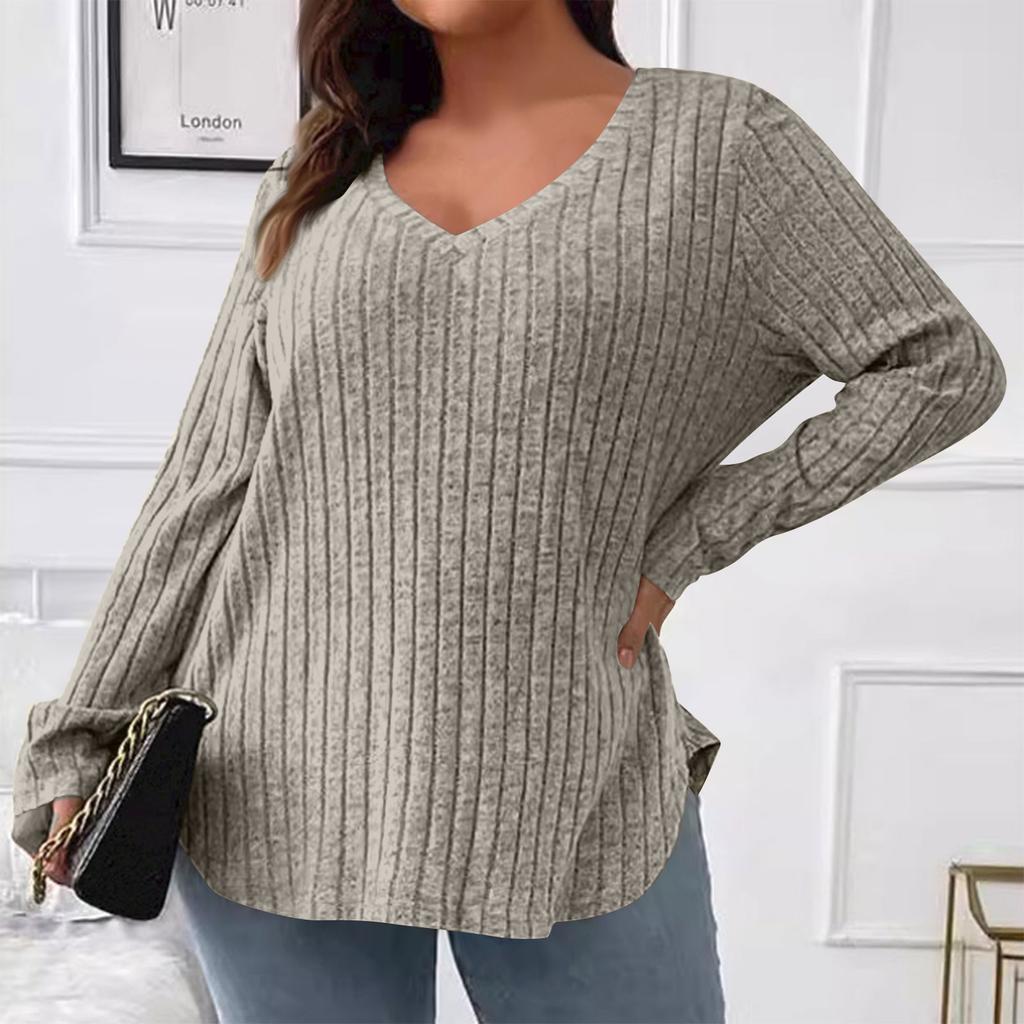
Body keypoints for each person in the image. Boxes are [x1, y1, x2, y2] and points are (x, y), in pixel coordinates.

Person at [10, 0, 1006, 1021]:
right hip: (271, 779)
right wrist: (79, 732)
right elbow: (205, 479)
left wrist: (695, 538)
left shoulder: (724, 148)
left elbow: (940, 366)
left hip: (571, 770)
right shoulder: (318, 176)